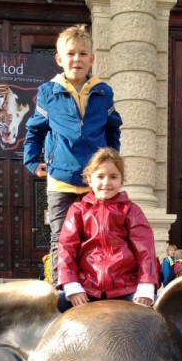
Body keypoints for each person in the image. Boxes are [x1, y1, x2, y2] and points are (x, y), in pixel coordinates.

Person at [23, 24, 123, 284]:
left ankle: (95, 286)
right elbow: (35, 129)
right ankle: (62, 288)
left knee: (98, 235)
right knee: (62, 236)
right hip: (61, 179)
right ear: (59, 59)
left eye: (82, 53)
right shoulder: (48, 92)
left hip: (95, 182)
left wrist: (112, 164)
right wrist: (32, 161)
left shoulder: (104, 92)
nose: (76, 59)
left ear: (92, 58)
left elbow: (113, 129)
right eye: (70, 54)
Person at [56, 148, 158, 312]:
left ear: (121, 181)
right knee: (49, 309)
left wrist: (146, 285)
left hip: (125, 288)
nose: (106, 182)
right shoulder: (78, 210)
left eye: (113, 177)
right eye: (100, 176)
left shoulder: (131, 211)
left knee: (160, 312)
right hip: (86, 288)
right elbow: (66, 248)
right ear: (90, 180)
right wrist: (71, 285)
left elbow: (145, 250)